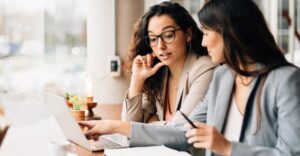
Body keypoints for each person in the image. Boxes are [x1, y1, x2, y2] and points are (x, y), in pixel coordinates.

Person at [79, 0, 300, 155]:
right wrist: (115, 126)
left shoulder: (285, 81)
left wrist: (227, 148)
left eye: (206, 33)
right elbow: (183, 131)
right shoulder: (224, 78)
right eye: (154, 38)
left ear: (229, 32)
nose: (203, 43)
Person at [122, 1, 215, 123]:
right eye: (153, 39)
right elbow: (129, 123)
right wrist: (137, 79)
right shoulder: (158, 72)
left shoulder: (204, 68)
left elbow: (180, 128)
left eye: (168, 35)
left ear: (188, 34)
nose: (160, 46)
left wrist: (151, 122)